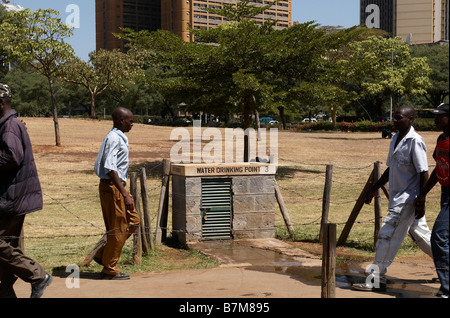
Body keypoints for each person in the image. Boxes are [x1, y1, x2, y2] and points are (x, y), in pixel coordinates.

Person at [353, 105, 433, 292]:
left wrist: (421, 200)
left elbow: (424, 173)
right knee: (423, 238)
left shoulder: (415, 141)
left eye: (399, 118)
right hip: (398, 198)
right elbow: (391, 168)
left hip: (407, 200)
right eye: (394, 118)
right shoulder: (395, 138)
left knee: (386, 237)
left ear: (411, 119)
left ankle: (376, 279)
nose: (394, 121)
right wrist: (373, 188)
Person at [0, 83, 52, 298]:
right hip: (12, 195)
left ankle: (38, 275)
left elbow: (12, 156)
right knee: (4, 253)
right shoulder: (7, 124)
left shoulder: (10, 126)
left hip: (11, 197)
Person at [94, 107, 140, 280]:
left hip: (115, 186)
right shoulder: (114, 138)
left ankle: (102, 255)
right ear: (121, 120)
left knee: (133, 221)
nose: (132, 124)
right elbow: (110, 167)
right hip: (113, 187)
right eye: (130, 121)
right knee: (119, 227)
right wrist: (125, 194)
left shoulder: (118, 137)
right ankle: (110, 268)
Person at [414, 103, 449, 298]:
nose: (435, 119)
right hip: (445, 193)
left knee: (439, 237)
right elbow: (439, 168)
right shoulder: (441, 139)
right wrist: (423, 193)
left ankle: (447, 288)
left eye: (439, 116)